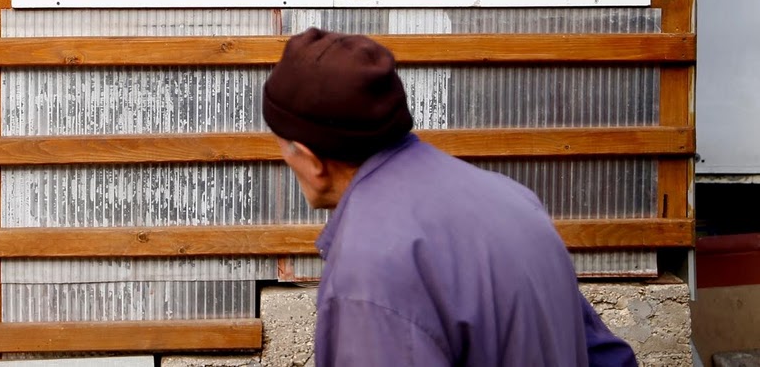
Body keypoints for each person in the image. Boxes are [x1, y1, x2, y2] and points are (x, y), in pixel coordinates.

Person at [263, 27, 638, 367]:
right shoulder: (512, 199)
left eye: (282, 146)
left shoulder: (372, 266)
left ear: (311, 160)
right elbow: (608, 358)